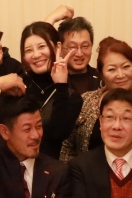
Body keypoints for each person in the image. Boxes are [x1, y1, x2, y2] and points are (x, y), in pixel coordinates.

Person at [60, 37, 132, 161]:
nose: (121, 75)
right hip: (87, 171)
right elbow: (67, 145)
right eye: (112, 69)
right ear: (101, 74)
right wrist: (72, 171)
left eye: (126, 67)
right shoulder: (86, 101)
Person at [18, 21, 83, 158]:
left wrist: (61, 86)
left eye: (42, 46)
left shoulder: (70, 96)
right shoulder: (18, 86)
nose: (36, 55)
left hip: (49, 168)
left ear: (57, 47)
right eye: (29, 50)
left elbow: (57, 134)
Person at [56, 15, 100, 95]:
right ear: (60, 48)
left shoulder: (102, 79)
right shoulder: (52, 81)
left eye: (85, 46)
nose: (79, 54)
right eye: (72, 47)